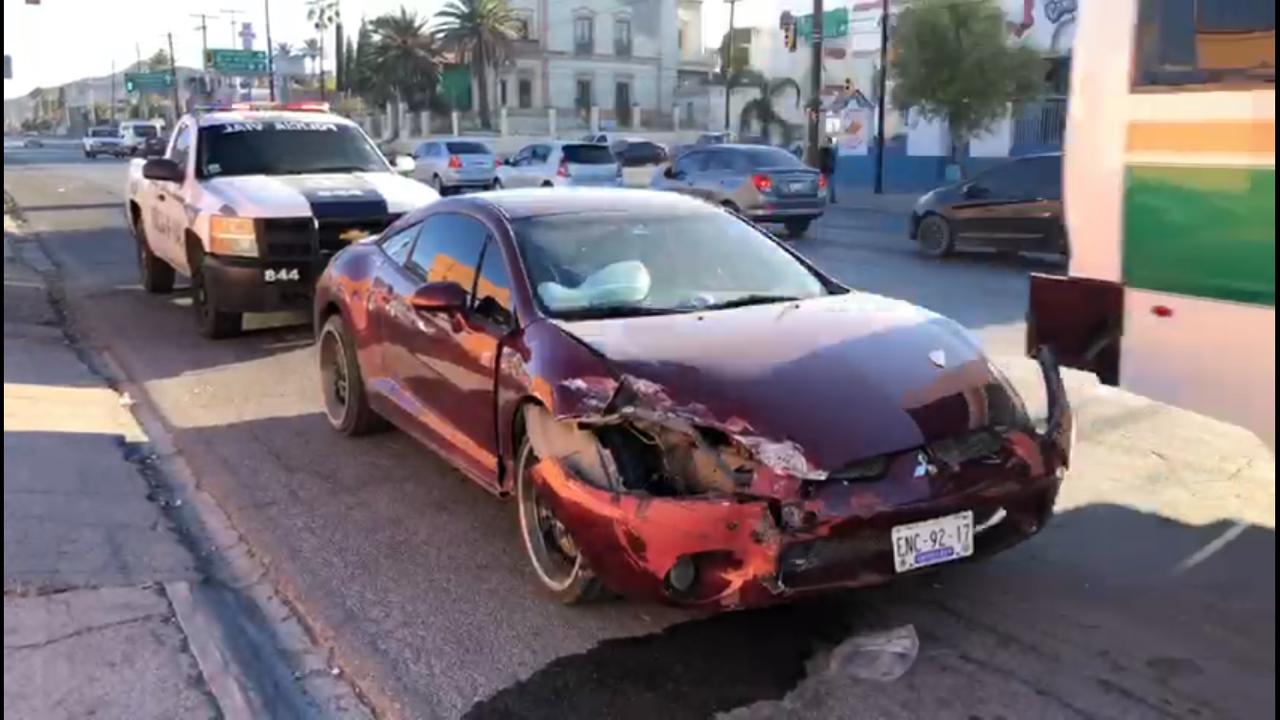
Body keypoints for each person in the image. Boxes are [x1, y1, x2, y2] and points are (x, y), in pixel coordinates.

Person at [819, 137, 838, 204]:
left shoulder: (822, 150)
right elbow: (833, 160)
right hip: (828, 169)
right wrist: (832, 167)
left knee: (823, 186)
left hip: (824, 169)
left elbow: (821, 160)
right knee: (830, 185)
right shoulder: (830, 150)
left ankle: (823, 199)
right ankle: (831, 199)